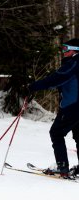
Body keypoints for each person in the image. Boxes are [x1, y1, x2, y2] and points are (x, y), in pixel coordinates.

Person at [28, 38, 79, 178]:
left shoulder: (73, 64)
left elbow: (57, 78)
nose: (64, 52)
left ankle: (62, 167)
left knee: (56, 133)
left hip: (72, 106)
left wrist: (33, 87)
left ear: (75, 50)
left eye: (66, 48)